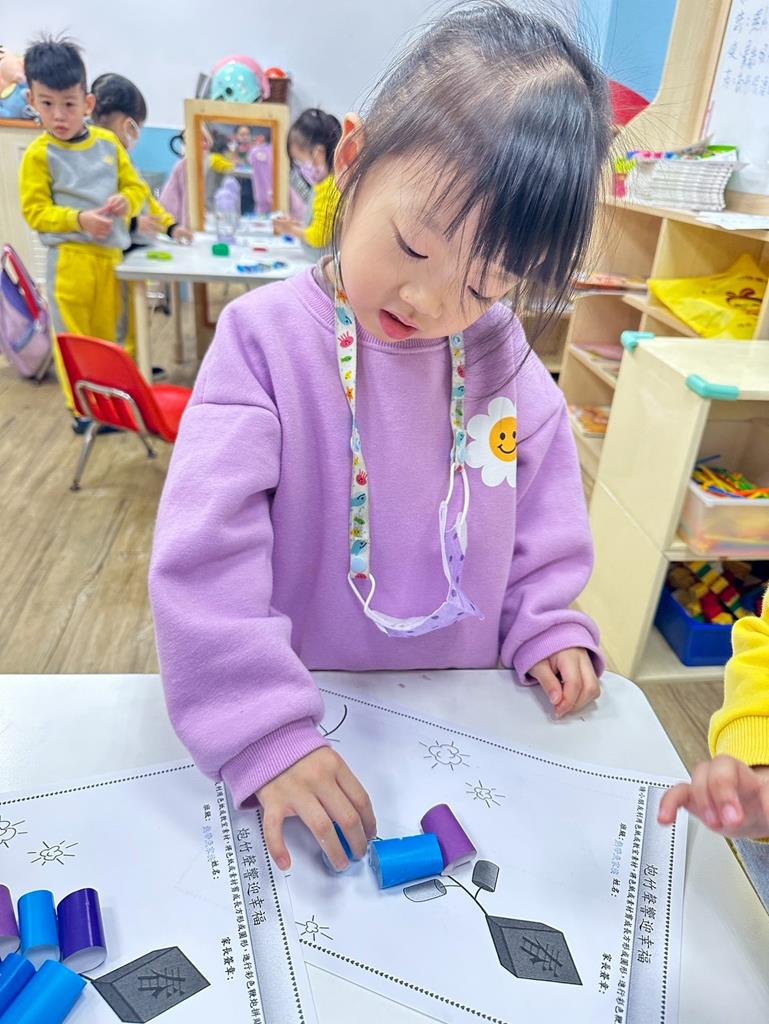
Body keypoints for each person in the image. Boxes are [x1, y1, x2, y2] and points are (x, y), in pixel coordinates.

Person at [150, 1, 612, 873]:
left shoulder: (499, 354)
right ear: (353, 161)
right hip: (302, 720)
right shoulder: (262, 342)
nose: (429, 301)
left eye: (485, 283)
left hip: (461, 718)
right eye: (412, 247)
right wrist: (263, 727)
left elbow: (542, 520)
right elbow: (205, 557)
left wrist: (547, 624)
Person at [19, 36, 145, 421]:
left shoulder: (108, 144)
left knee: (116, 334)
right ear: (31, 101)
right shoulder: (39, 155)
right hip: (69, 263)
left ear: (88, 104)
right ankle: (84, 412)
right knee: (74, 339)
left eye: (69, 104)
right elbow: (36, 212)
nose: (59, 115)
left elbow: (137, 188)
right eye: (47, 104)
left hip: (110, 261)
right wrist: (79, 220)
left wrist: (126, 201)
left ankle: (118, 407)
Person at [91, 73, 193, 248]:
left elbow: (145, 197)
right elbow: (90, 210)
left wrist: (171, 227)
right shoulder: (90, 157)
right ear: (126, 124)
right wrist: (133, 224)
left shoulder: (122, 158)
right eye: (135, 127)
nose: (135, 135)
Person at [273, 108, 342, 253]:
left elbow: (319, 237)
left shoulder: (330, 187)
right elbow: (321, 224)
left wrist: (290, 229)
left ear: (318, 153)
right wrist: (297, 226)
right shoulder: (325, 184)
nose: (300, 168)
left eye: (300, 160)